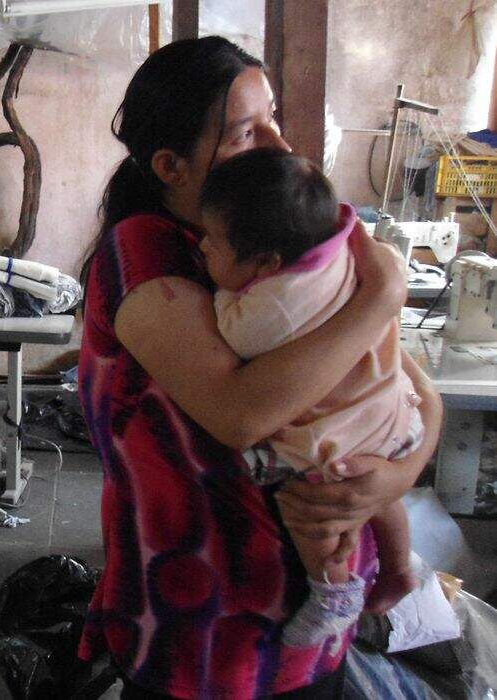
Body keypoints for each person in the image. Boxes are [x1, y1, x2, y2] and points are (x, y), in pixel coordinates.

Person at [78, 37, 442, 699]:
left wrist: (395, 475)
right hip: (202, 638)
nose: (278, 143)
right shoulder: (146, 258)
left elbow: (404, 387)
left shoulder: (281, 241)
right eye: (246, 132)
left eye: (272, 118)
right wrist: (382, 294)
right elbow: (240, 414)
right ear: (171, 166)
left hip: (309, 632)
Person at [199, 148, 421, 648]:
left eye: (213, 241)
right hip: (390, 411)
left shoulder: (273, 306)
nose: (203, 247)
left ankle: (333, 589)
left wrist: (221, 296)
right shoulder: (341, 248)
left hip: (339, 432)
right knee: (382, 493)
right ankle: (399, 565)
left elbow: (236, 336)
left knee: (312, 511)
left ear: (267, 263)